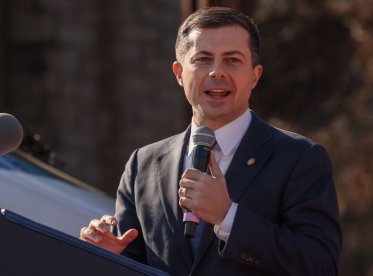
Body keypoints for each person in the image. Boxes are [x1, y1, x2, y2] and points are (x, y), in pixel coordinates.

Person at [80, 6, 342, 275]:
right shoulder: (142, 165)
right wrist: (111, 256)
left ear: (255, 75)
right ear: (179, 73)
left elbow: (320, 265)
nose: (217, 72)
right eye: (203, 59)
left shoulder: (300, 158)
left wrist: (228, 217)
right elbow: (137, 263)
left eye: (232, 60)